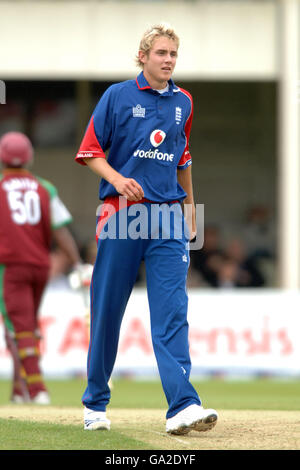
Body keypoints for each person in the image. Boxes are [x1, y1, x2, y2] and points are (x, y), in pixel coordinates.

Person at [75, 23, 218, 435]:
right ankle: (95, 403)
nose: (169, 60)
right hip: (120, 215)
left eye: (173, 54)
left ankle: (183, 407)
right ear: (143, 56)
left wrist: (191, 209)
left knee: (173, 313)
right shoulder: (117, 96)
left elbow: (183, 158)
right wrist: (117, 180)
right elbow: (89, 150)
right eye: (161, 53)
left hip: (167, 218)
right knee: (107, 311)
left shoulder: (184, 102)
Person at [0, 131, 82, 404]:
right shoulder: (44, 187)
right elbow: (61, 231)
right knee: (25, 327)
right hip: (39, 267)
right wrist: (77, 262)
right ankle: (18, 390)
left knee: (19, 328)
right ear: (29, 157)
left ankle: (36, 390)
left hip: (9, 267)